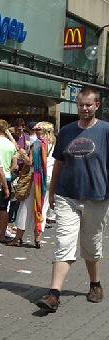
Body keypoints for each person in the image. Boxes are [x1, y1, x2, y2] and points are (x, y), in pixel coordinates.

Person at [37, 87, 109, 313]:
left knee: (91, 245)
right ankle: (54, 294)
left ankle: (95, 283)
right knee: (64, 243)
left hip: (97, 197)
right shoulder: (67, 132)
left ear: (97, 105)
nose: (84, 108)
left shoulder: (106, 130)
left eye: (88, 105)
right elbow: (59, 162)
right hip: (67, 196)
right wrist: (52, 189)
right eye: (80, 105)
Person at [9, 124, 48, 248]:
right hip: (46, 179)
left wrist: (21, 153)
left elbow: (30, 162)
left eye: (38, 129)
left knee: (25, 208)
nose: (35, 131)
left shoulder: (36, 144)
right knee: (41, 208)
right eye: (35, 129)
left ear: (45, 131)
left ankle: (18, 237)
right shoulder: (52, 143)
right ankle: (38, 239)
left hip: (35, 180)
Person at [0, 119, 17, 243]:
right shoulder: (11, 144)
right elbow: (15, 165)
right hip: (6, 177)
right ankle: (2, 235)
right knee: (3, 208)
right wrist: (8, 171)